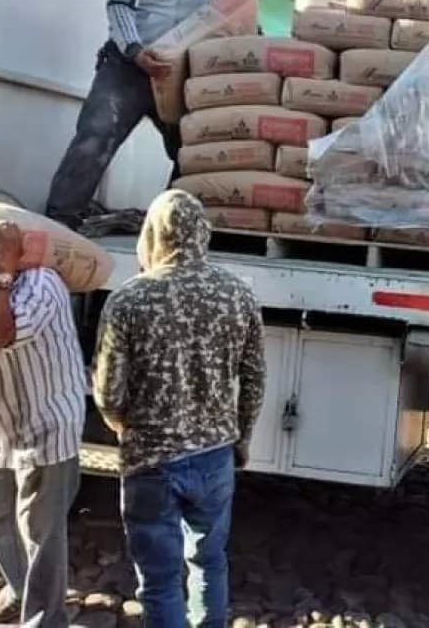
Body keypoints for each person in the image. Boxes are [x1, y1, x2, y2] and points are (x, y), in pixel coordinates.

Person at [94, 189, 265, 627]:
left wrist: (121, 425)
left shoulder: (128, 300)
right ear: (202, 232)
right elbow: (254, 380)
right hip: (215, 455)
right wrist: (242, 438)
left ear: (152, 235)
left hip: (150, 459)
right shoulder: (238, 295)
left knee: (160, 580)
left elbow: (108, 391)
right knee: (210, 561)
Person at [45, 0, 220, 229]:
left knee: (192, 148)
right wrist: (136, 52)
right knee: (95, 137)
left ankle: (171, 225)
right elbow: (119, 6)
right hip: (127, 67)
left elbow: (220, 20)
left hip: (174, 75)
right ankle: (60, 222)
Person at [0, 226, 86, 628]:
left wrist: (1, 275)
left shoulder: (41, 285)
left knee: (40, 532)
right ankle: (21, 590)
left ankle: (45, 619)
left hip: (45, 427)